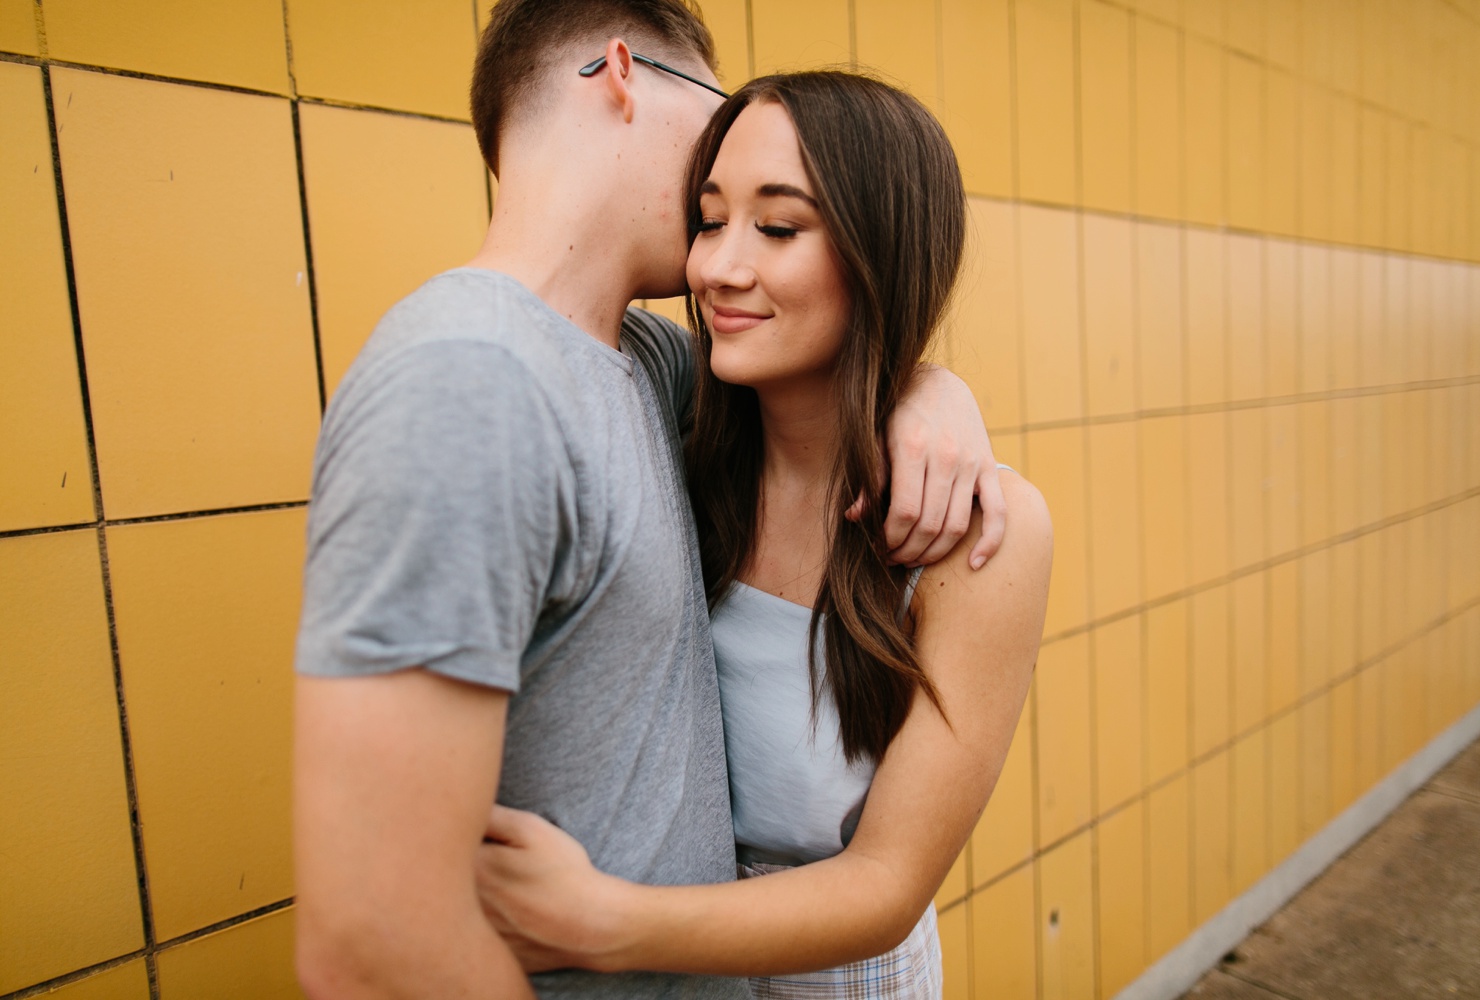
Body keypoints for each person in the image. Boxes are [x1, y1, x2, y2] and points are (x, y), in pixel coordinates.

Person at [291, 3, 1010, 999]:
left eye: (773, 218)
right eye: (714, 202)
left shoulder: (650, 365)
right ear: (623, 74)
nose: (719, 256)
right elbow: (371, 938)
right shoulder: (468, 381)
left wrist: (931, 392)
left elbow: (839, 349)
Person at [471, 72, 1051, 997]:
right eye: (707, 220)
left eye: (778, 228)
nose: (718, 269)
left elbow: (885, 886)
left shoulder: (981, 536)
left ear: (881, 251)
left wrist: (600, 920)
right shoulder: (665, 412)